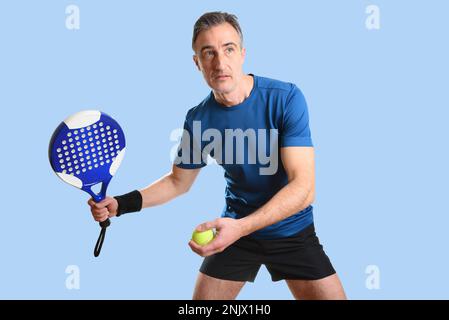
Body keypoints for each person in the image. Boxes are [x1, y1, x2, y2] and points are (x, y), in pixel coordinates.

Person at [88, 11, 346, 300]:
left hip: (291, 232)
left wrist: (240, 227)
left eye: (228, 49)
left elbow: (304, 188)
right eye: (208, 53)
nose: (220, 63)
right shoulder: (198, 118)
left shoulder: (285, 98)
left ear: (243, 54)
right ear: (197, 63)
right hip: (234, 235)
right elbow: (178, 182)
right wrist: (121, 204)